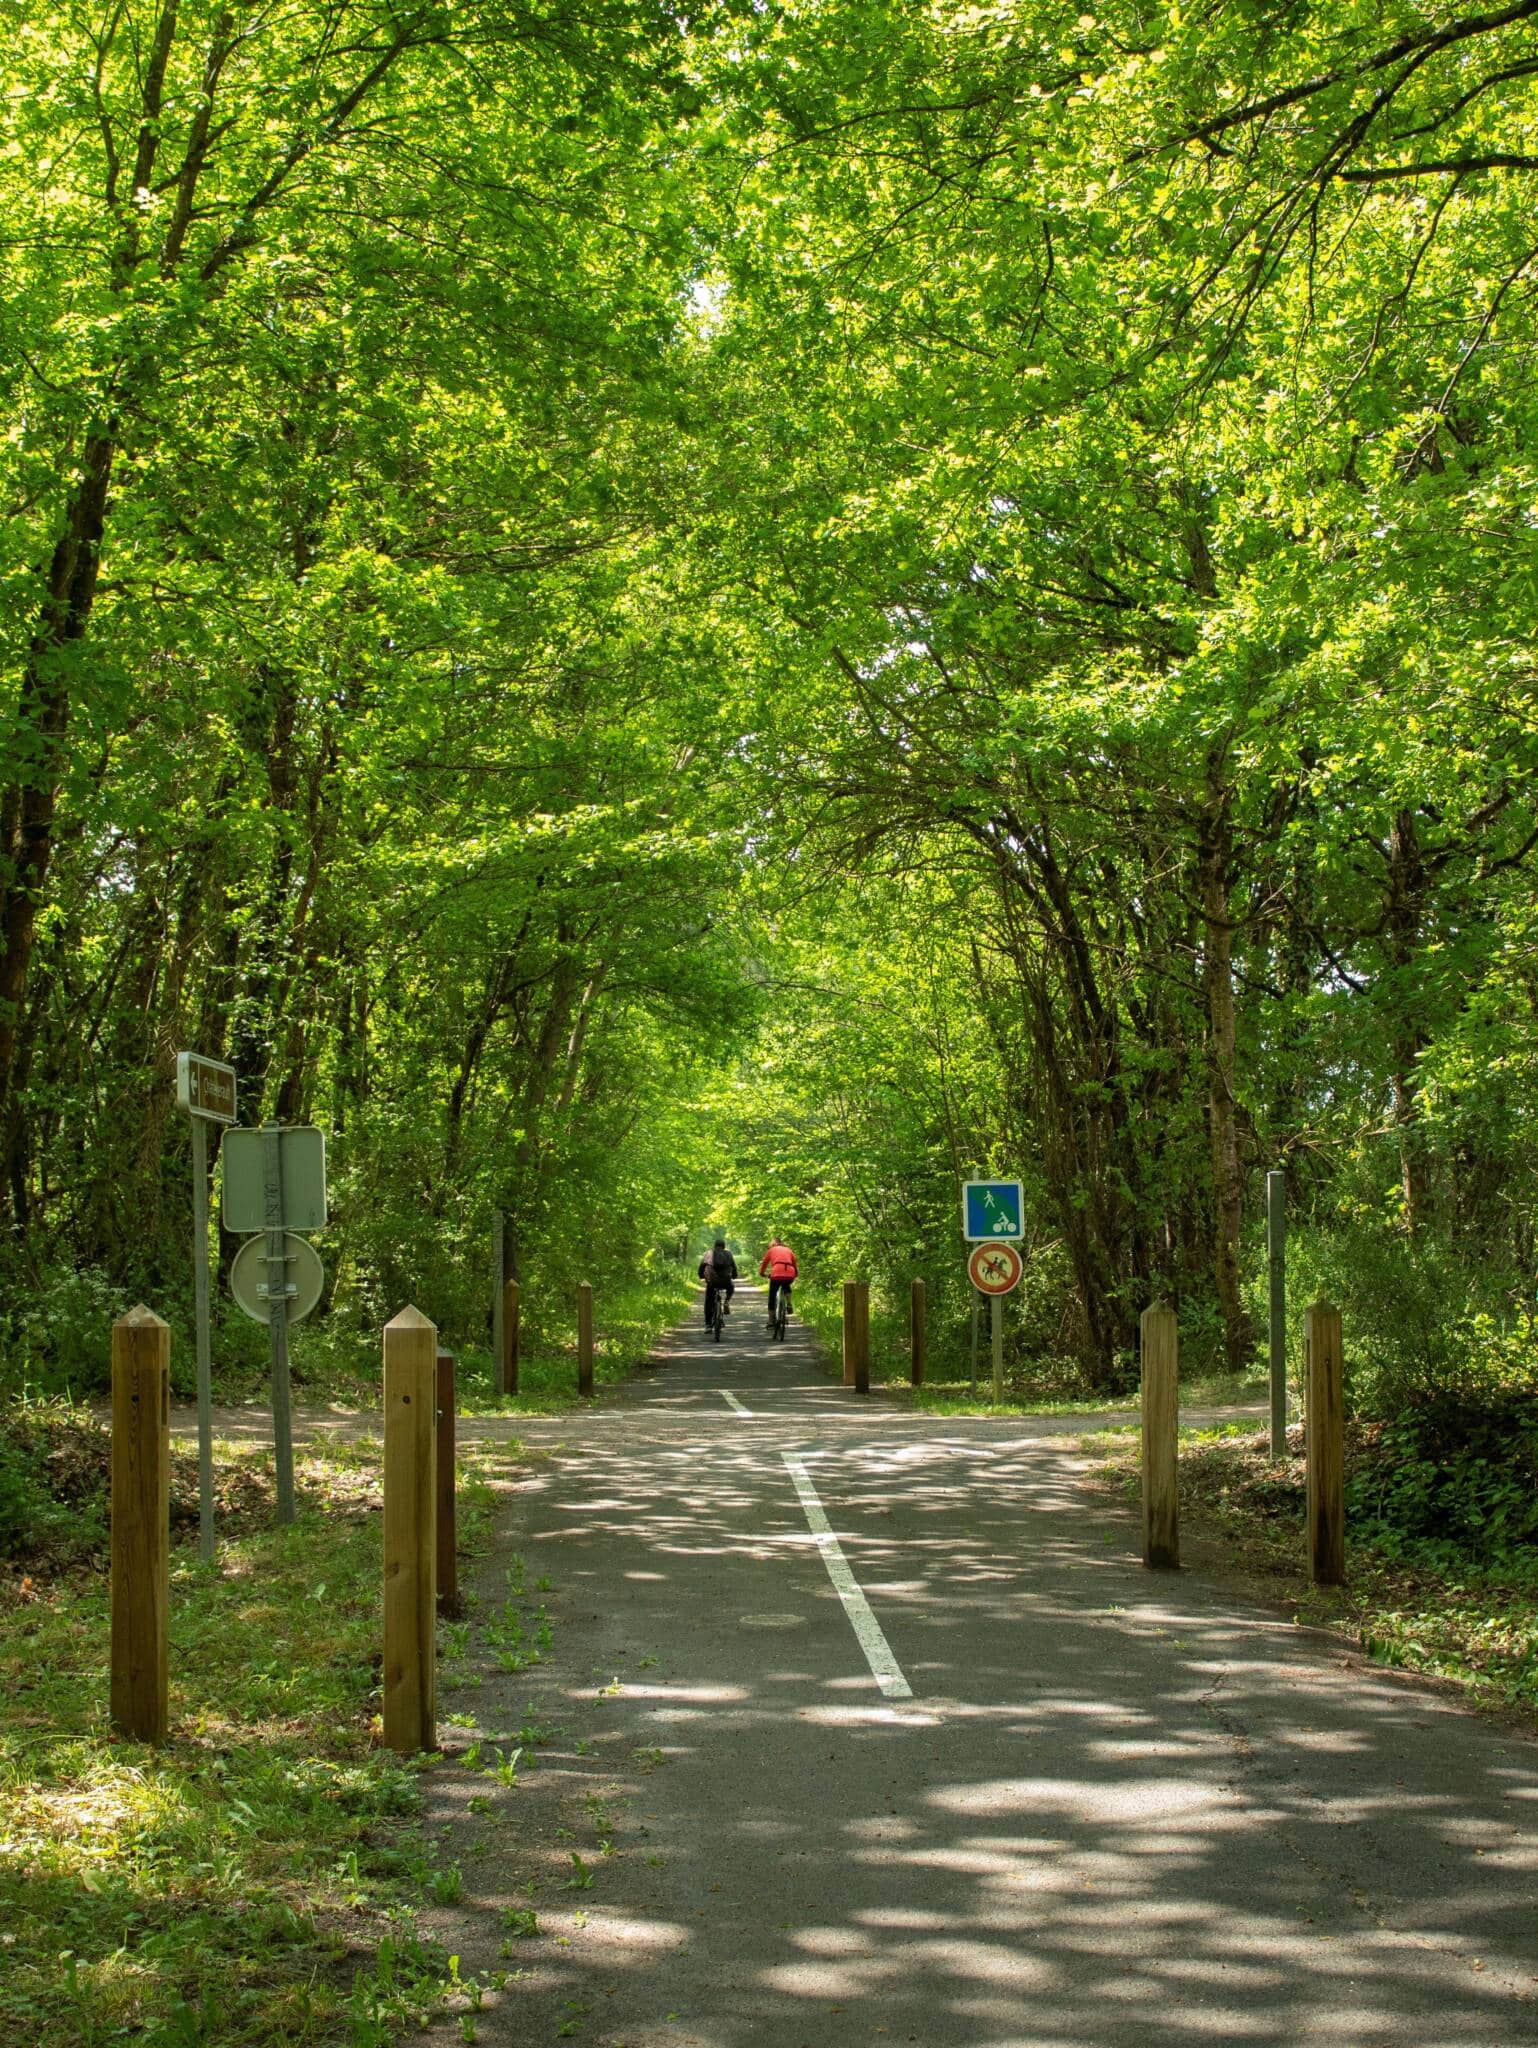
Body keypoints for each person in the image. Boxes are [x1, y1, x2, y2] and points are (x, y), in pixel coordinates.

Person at [698, 1237, 737, 1328]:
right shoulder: (728, 1254)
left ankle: (708, 1325)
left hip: (712, 1281)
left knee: (709, 1301)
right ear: (724, 1246)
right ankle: (727, 1301)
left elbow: (701, 1266)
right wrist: (734, 1276)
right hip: (725, 1281)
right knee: (731, 1286)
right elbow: (734, 1267)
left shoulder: (709, 1253)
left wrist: (701, 1276)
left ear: (714, 1246)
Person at [760, 1236, 798, 1327]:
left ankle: (770, 1320)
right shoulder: (789, 1250)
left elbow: (764, 1263)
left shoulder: (771, 1250)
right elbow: (794, 1263)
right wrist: (795, 1274)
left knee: (772, 1296)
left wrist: (762, 1273)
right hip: (789, 1272)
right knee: (786, 1285)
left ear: (772, 1245)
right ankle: (788, 1303)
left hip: (776, 1272)